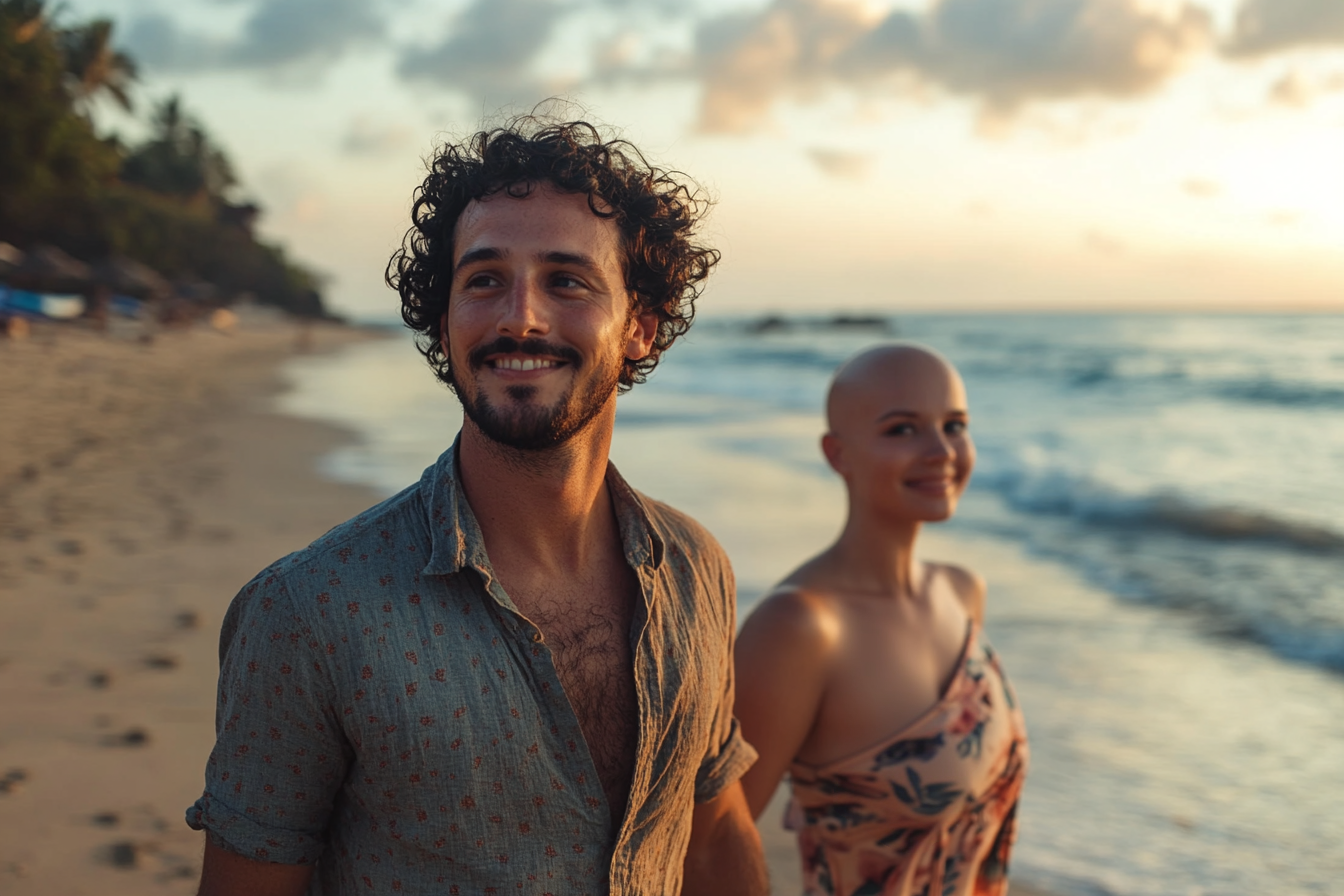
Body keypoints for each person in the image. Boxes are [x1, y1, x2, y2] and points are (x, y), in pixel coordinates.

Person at [187, 117, 768, 896]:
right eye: (484, 279)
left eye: (567, 280)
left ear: (639, 326)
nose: (518, 316)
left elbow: (715, 831)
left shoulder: (696, 570)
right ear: (444, 316)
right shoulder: (309, 614)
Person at [734, 344, 1028, 896]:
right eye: (902, 430)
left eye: (955, 425)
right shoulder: (799, 628)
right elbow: (710, 844)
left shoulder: (964, 592)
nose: (941, 450)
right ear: (837, 453)